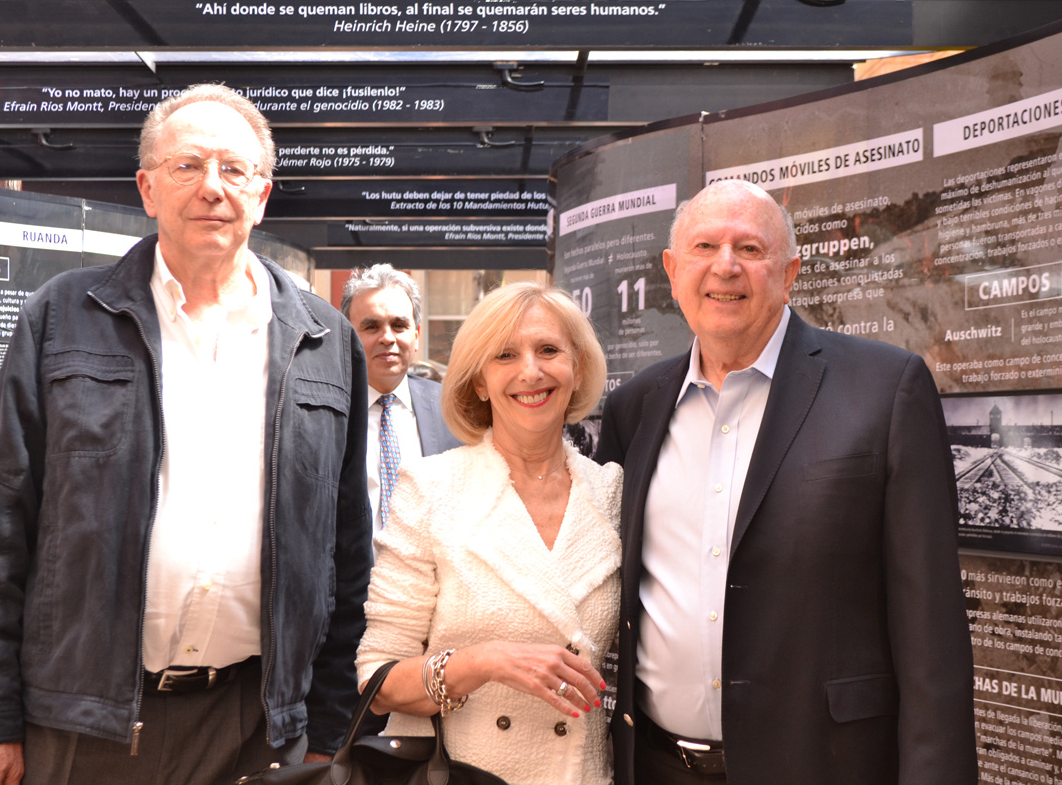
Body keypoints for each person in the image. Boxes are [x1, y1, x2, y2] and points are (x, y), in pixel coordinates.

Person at [0, 84, 372, 785]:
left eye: (233, 169)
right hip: (85, 725)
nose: (212, 187)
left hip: (256, 727)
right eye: (187, 166)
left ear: (262, 194)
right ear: (147, 188)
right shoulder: (63, 317)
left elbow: (346, 554)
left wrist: (327, 728)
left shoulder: (326, 342)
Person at [596, 180, 976, 784]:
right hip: (658, 767)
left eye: (749, 249)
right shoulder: (635, 407)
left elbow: (932, 630)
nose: (725, 266)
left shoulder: (885, 390)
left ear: (789, 272)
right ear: (672, 270)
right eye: (704, 247)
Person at [355, 282, 621, 785]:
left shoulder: (611, 491)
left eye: (549, 350)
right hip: (460, 773)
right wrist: (483, 662)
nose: (530, 371)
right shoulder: (431, 488)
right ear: (479, 382)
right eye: (505, 355)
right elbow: (378, 677)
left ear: (578, 369)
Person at [341, 264, 461, 539]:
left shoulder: (453, 409)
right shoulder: (326, 412)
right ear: (347, 336)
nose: (387, 338)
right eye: (372, 326)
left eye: (399, 325)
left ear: (416, 336)